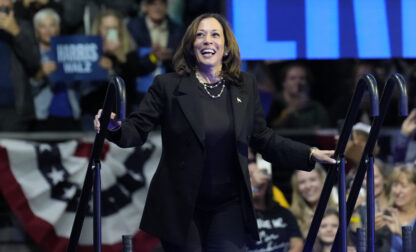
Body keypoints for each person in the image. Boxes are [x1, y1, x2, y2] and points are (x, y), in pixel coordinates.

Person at [94, 13, 335, 251]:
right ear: (191, 47)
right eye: (200, 35)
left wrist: (310, 153)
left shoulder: (245, 86)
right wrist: (114, 128)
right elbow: (137, 129)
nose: (207, 40)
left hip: (228, 204)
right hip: (182, 206)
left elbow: (264, 138)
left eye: (214, 34)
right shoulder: (168, 86)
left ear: (227, 48)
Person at [30, 8, 82, 131]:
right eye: (43, 26)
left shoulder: (71, 51)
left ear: (58, 29)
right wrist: (40, 74)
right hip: (44, 117)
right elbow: (25, 90)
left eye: (52, 25)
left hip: (72, 115)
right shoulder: (30, 53)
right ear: (36, 31)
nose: (48, 31)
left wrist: (100, 68)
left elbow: (84, 86)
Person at [127, 0, 183, 104]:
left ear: (166, 6)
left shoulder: (177, 30)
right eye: (153, 3)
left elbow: (182, 64)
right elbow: (131, 65)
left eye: (161, 3)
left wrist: (170, 57)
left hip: (169, 92)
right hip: (139, 94)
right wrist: (153, 57)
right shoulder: (134, 28)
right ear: (145, 7)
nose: (158, 7)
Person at [246, 154, 303, 252]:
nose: (257, 180)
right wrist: (252, 188)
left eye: (259, 173)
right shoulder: (240, 216)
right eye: (250, 176)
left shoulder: (284, 213)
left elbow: (298, 244)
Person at [0, 0, 40, 131]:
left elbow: (34, 61)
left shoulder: (23, 27)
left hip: (15, 108)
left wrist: (16, 32)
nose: (3, 11)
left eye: (6, 7)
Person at [266, 62, 330, 129]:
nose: (298, 82)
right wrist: (287, 113)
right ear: (283, 82)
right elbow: (268, 128)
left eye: (302, 78)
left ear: (308, 82)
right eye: (292, 78)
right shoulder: (272, 103)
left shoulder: (316, 108)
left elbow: (326, 131)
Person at [290, 165, 338, 239]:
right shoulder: (293, 217)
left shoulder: (340, 208)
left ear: (323, 181)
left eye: (312, 180)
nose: (308, 186)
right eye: (302, 182)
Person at [383, 164, 416, 252]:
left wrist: (402, 234)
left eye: (403, 186)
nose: (397, 191)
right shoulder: (387, 216)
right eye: (395, 185)